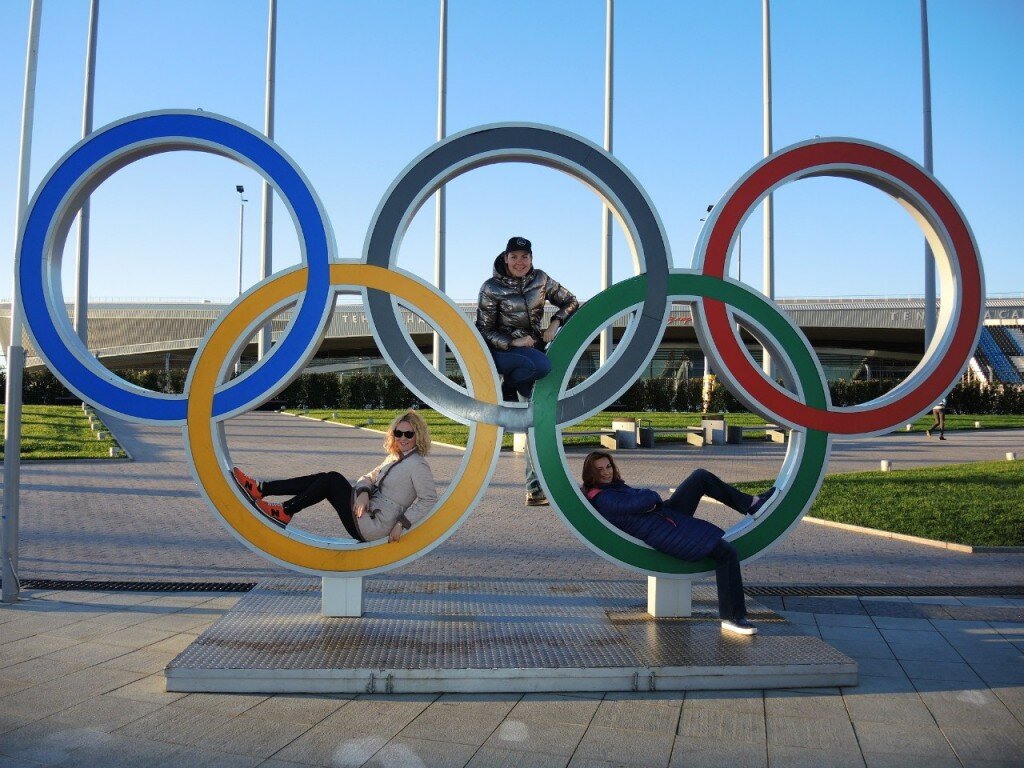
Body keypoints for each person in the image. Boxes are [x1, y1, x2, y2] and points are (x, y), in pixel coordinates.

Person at [580, 451, 776, 636]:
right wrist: (652, 497)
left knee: (700, 477)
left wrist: (650, 500)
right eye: (599, 470)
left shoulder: (613, 488)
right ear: (591, 474)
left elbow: (645, 500)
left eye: (608, 467)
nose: (606, 472)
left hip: (664, 518)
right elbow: (645, 499)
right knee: (727, 553)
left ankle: (752, 503)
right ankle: (733, 617)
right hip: (665, 532)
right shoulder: (603, 498)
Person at [476, 235, 579, 507]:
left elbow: (571, 301)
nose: (520, 262)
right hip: (505, 353)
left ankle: (535, 490)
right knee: (542, 366)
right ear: (505, 258)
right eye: (514, 257)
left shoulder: (541, 280)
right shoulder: (491, 288)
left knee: (537, 422)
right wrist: (512, 342)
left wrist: (556, 322)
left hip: (532, 354)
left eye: (525, 257)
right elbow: (484, 330)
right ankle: (508, 381)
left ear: (531, 259)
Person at [231, 410, 437, 543]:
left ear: (418, 436)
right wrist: (364, 493)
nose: (402, 438)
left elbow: (428, 499)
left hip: (375, 525)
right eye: (398, 433)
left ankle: (275, 501)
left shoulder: (418, 465)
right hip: (364, 510)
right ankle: (265, 492)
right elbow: (368, 477)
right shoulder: (393, 457)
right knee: (326, 478)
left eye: (408, 434)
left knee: (332, 479)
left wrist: (402, 523)